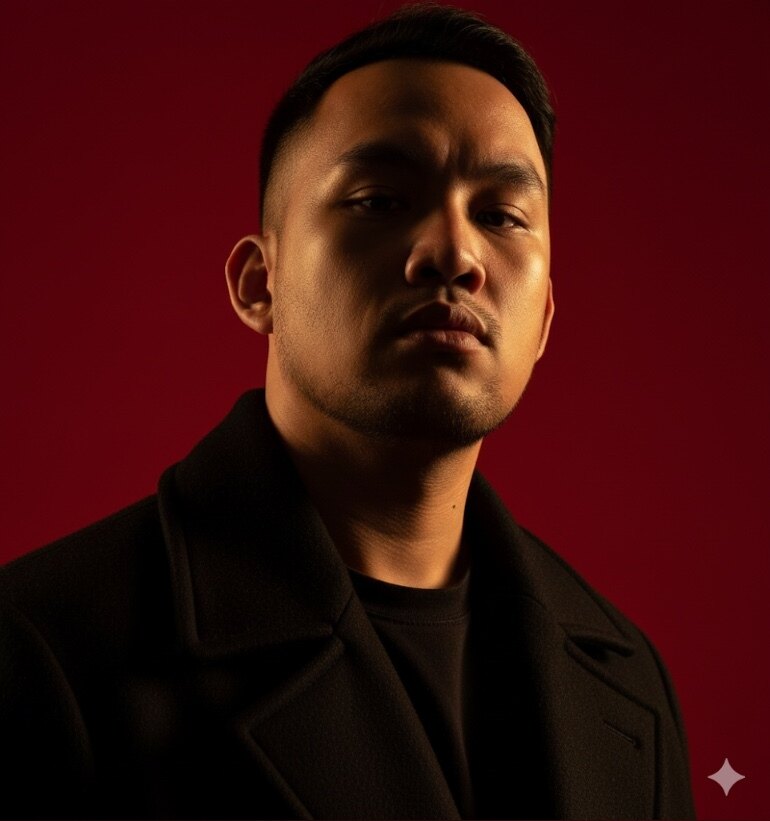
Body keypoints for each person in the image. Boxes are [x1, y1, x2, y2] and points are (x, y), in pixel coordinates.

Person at [0, 5, 695, 819]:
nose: (453, 253)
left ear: (542, 319)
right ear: (259, 283)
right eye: (380, 200)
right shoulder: (42, 649)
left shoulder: (627, 675)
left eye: (501, 215)